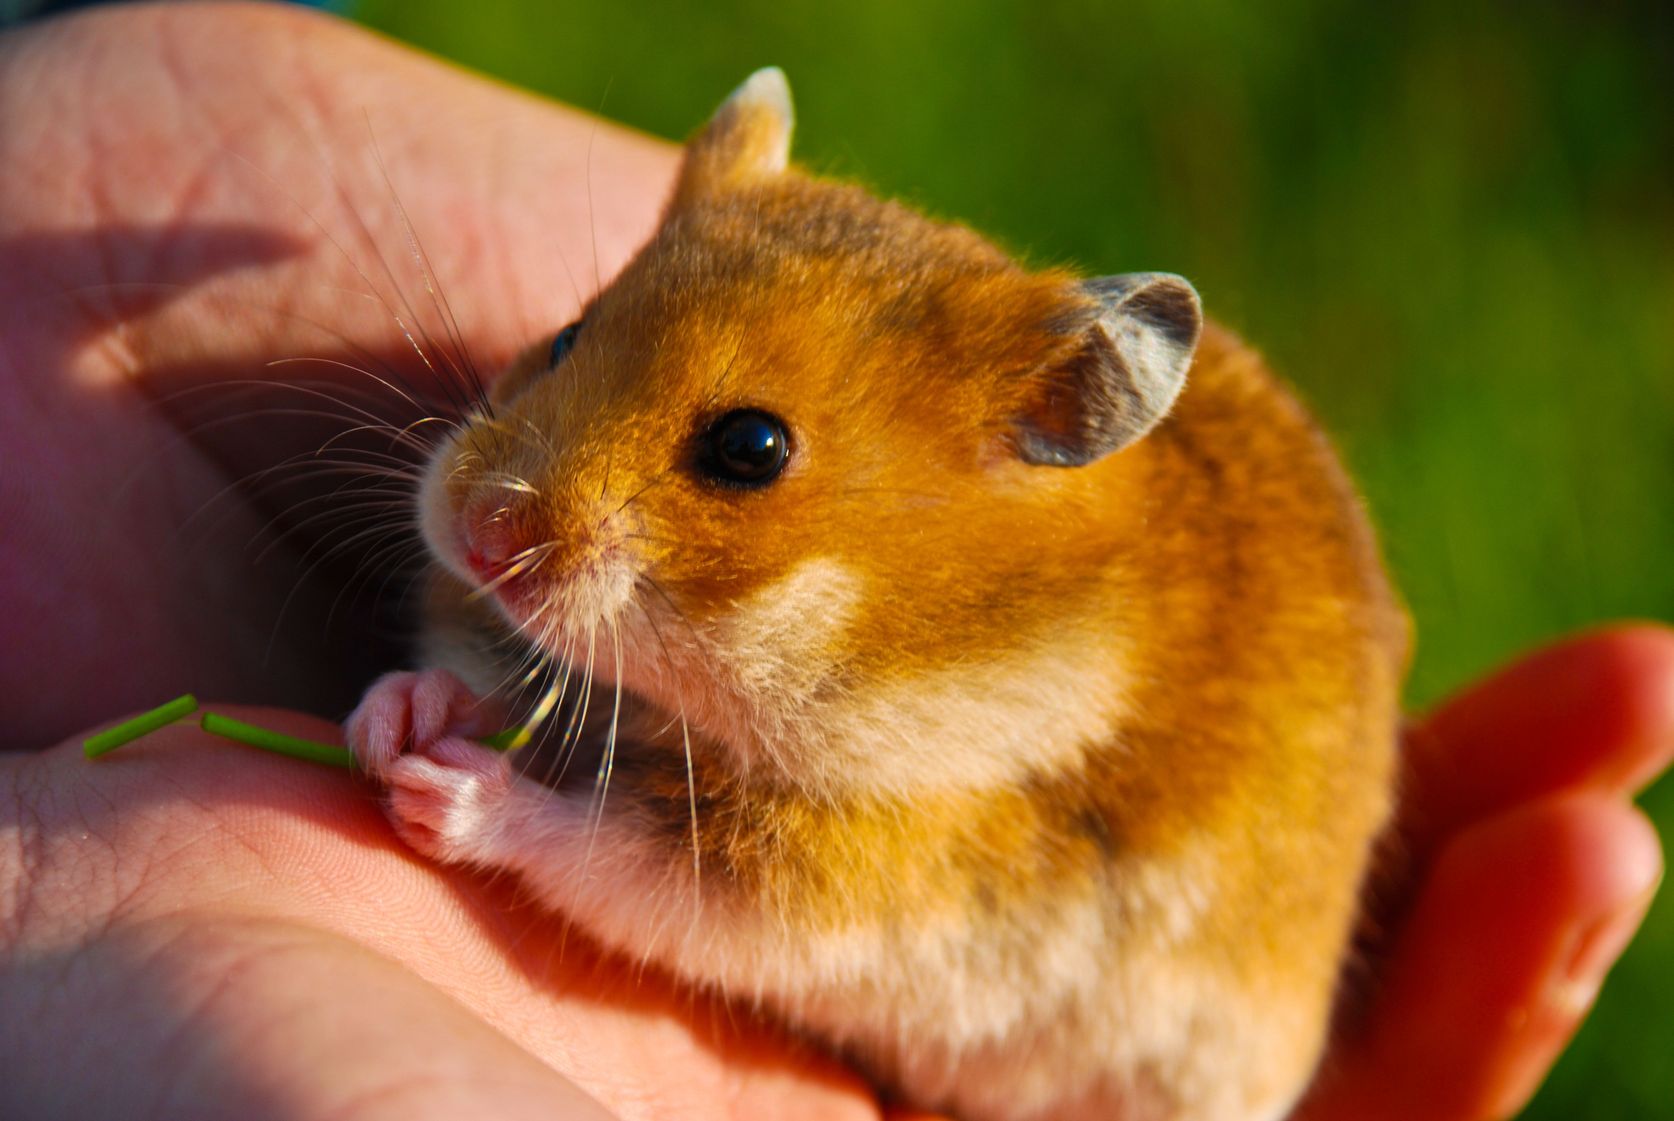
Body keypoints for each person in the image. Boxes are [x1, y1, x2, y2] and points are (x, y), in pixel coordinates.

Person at [0, 5, 1667, 1118]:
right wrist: (452, 710)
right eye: (579, 338)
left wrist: (524, 826)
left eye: (737, 456)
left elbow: (808, 902)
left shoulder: (985, 674)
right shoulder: (581, 497)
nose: (510, 505)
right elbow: (507, 630)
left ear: (1044, 427)